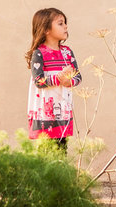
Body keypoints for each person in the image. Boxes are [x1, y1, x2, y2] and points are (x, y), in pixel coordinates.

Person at [25, 8, 82, 152]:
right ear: (46, 29)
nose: (66, 26)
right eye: (60, 23)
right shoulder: (39, 53)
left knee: (62, 148)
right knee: (46, 151)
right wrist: (58, 79)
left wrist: (70, 81)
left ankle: (61, 174)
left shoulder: (67, 52)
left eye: (65, 23)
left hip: (63, 110)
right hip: (44, 112)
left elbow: (78, 76)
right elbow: (38, 81)